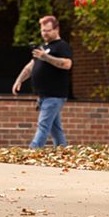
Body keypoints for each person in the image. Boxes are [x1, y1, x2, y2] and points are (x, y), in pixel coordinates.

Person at [12, 15, 73, 148]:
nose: (44, 33)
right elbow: (31, 65)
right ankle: (63, 150)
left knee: (43, 124)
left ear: (56, 29)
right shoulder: (43, 47)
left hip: (55, 94)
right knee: (55, 128)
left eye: (48, 30)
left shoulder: (61, 46)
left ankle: (34, 150)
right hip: (43, 95)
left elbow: (67, 64)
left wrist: (45, 57)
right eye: (43, 30)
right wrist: (19, 80)